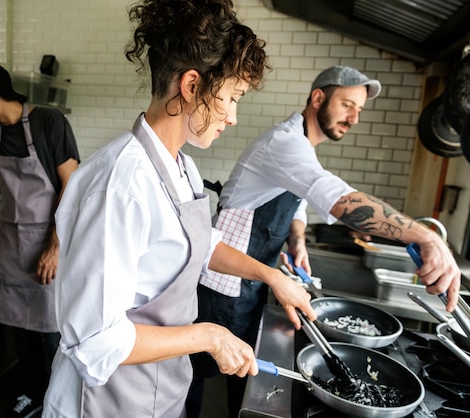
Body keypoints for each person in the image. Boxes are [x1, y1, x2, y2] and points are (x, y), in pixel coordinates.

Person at [41, 1, 317, 417]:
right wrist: (209, 336)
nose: (234, 117)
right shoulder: (122, 184)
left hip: (159, 389)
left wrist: (271, 276)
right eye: (231, 97)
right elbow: (96, 340)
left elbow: (202, 245)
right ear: (192, 85)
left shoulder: (181, 165)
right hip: (103, 402)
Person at [187, 65, 463, 417]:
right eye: (347, 104)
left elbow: (298, 200)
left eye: (359, 110)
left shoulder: (301, 144)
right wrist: (426, 236)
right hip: (221, 283)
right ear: (318, 98)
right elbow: (336, 198)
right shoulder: (284, 142)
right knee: (196, 372)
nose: (353, 117)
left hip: (250, 280)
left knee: (240, 372)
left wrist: (297, 239)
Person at [0, 59, 80, 418]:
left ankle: (66, 402)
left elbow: (71, 188)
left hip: (49, 244)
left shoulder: (48, 122)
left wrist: (55, 247)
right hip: (12, 249)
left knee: (53, 332)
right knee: (20, 328)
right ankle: (34, 394)